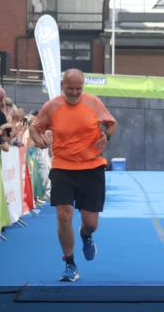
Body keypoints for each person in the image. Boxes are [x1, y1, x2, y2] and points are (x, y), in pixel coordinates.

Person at [30, 69, 116, 282]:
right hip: (62, 166)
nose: (75, 93)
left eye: (79, 89)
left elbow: (111, 124)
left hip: (92, 167)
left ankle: (86, 235)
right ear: (62, 86)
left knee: (91, 223)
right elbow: (34, 127)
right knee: (64, 214)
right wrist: (38, 139)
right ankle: (70, 263)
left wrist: (106, 135)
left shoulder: (93, 103)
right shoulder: (52, 106)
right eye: (71, 89)